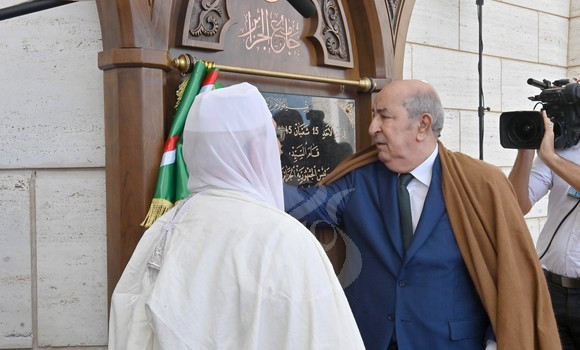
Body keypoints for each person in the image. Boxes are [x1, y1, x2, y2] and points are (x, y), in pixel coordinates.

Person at [284, 79, 561, 349]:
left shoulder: (480, 184)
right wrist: (256, 142)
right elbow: (297, 204)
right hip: (371, 339)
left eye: (384, 117)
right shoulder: (358, 179)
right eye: (373, 116)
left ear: (422, 125)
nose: (372, 128)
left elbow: (509, 272)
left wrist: (495, 341)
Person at [108, 83, 365, 350]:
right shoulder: (284, 239)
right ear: (255, 149)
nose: (279, 147)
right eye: (274, 135)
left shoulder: (163, 229)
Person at [508, 110, 580, 350]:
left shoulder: (554, 157)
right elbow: (517, 205)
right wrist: (526, 150)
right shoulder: (562, 150)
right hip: (551, 290)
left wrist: (550, 157)